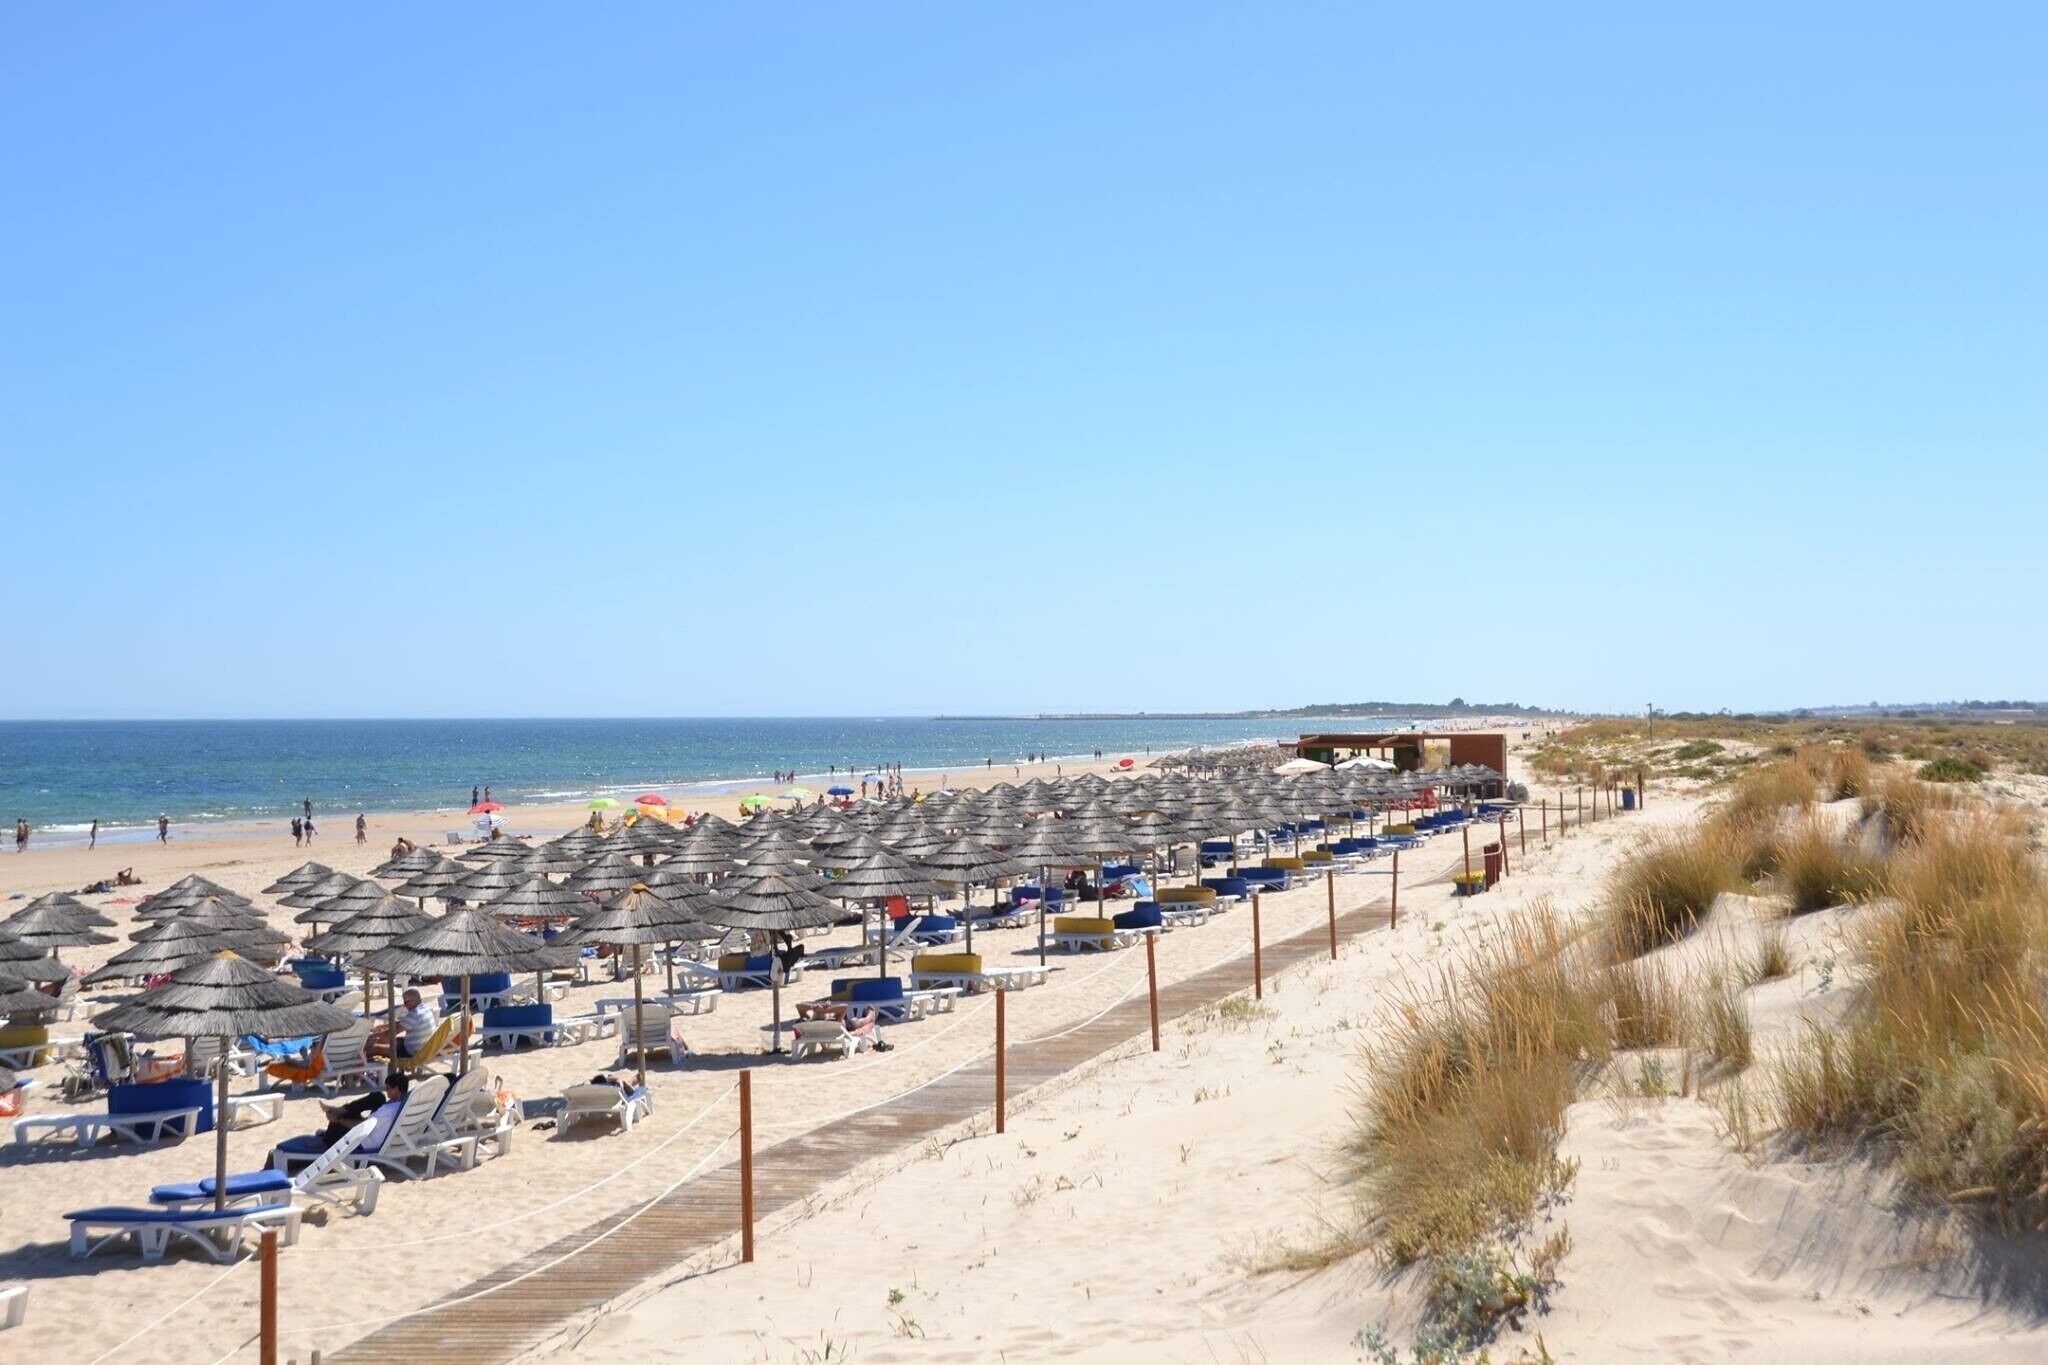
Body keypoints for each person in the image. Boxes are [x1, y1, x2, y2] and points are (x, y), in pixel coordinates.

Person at [369, 988, 438, 1060]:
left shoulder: (415, 1014)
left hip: (412, 1051)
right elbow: (402, 1023)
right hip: (423, 1046)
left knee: (373, 1048)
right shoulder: (425, 1008)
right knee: (383, 1041)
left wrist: (369, 1038)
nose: (405, 1006)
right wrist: (384, 1026)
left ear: (413, 1000)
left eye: (406, 1002)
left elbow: (390, 1034)